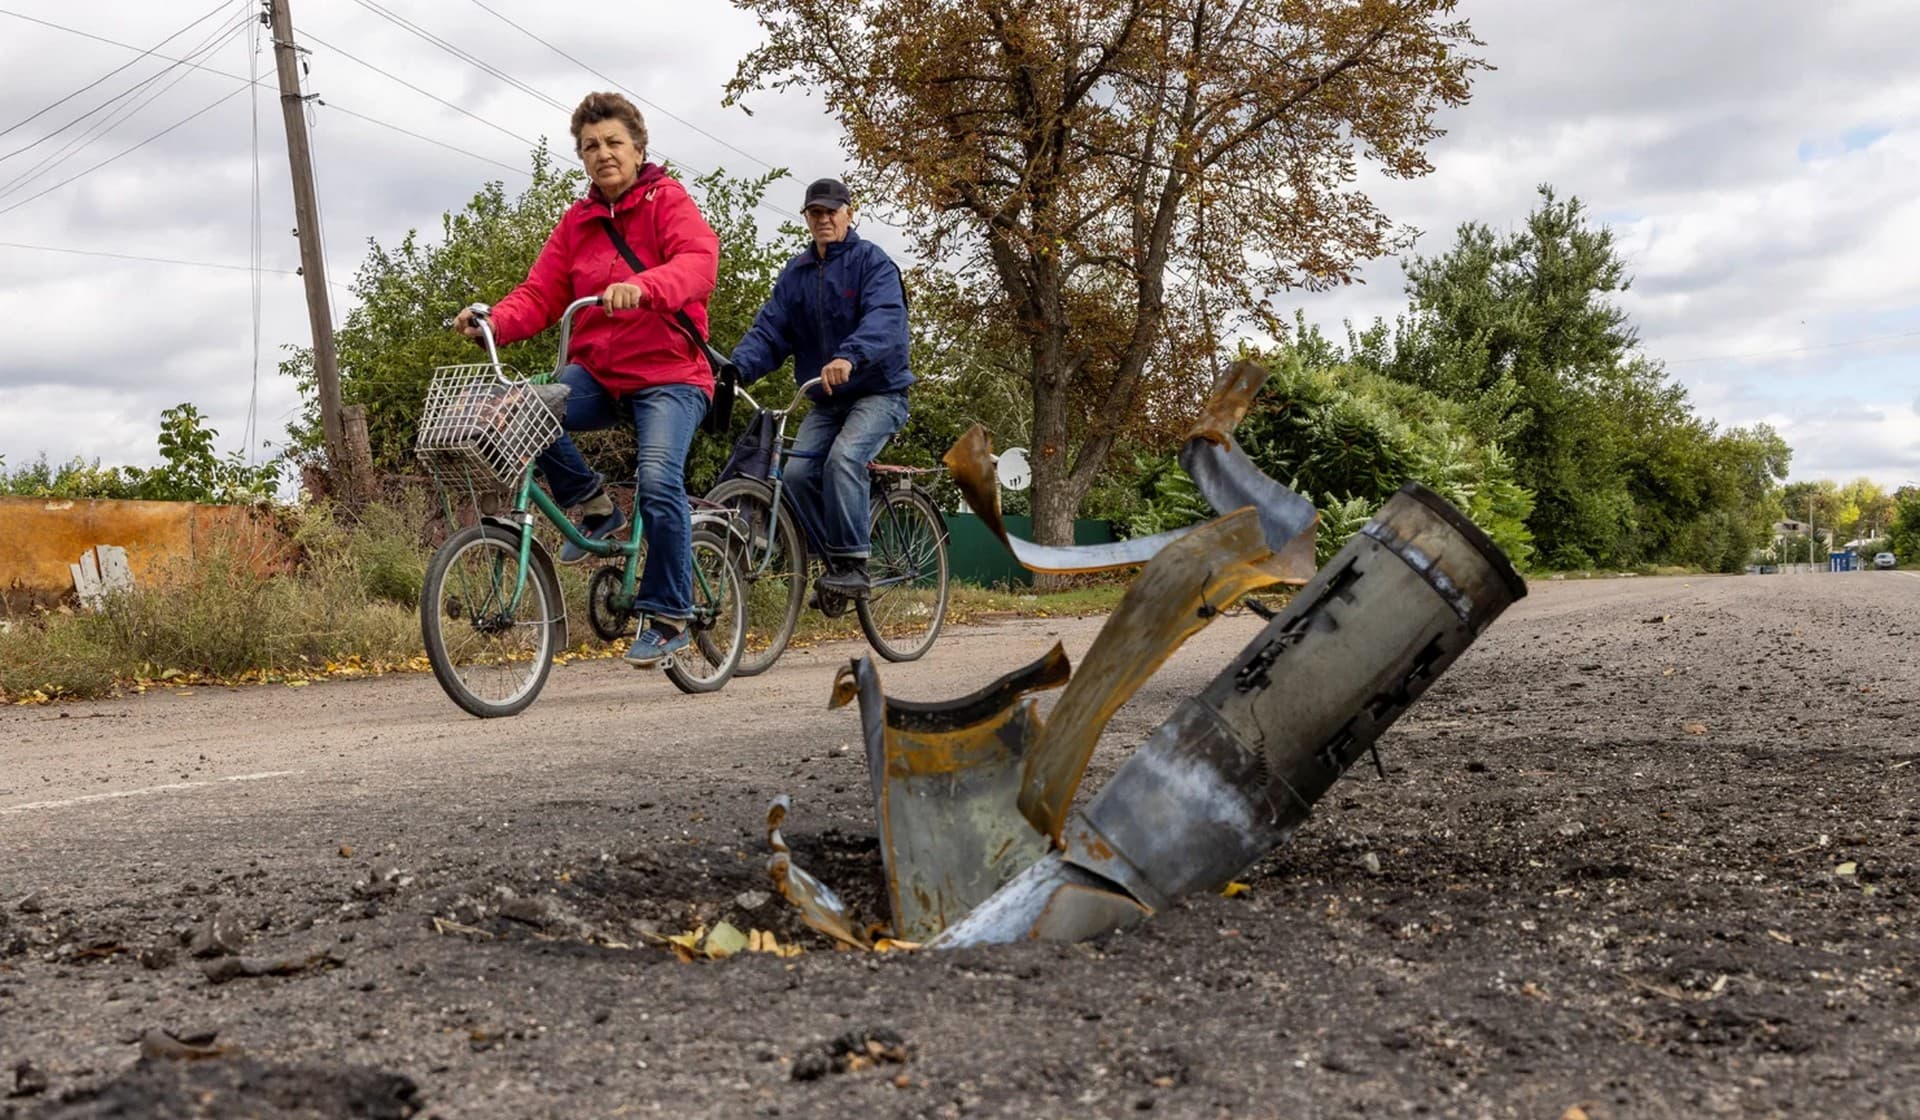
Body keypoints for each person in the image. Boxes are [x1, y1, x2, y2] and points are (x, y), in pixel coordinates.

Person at [454, 92, 718, 666]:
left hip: (671, 373)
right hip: (600, 372)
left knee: (656, 477)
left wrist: (645, 287)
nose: (603, 154)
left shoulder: (667, 201)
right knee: (527, 406)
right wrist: (494, 319)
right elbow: (541, 293)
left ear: (639, 147)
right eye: (591, 146)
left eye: (614, 143)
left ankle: (670, 612)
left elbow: (699, 263)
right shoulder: (578, 222)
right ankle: (594, 504)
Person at [730, 177, 912, 599]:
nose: (824, 218)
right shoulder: (797, 274)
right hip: (828, 400)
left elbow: (885, 318)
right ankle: (831, 560)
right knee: (794, 473)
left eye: (832, 211)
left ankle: (852, 564)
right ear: (807, 218)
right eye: (816, 212)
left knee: (843, 458)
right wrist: (736, 370)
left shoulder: (873, 263)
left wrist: (850, 357)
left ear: (850, 212)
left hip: (879, 393)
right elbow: (770, 331)